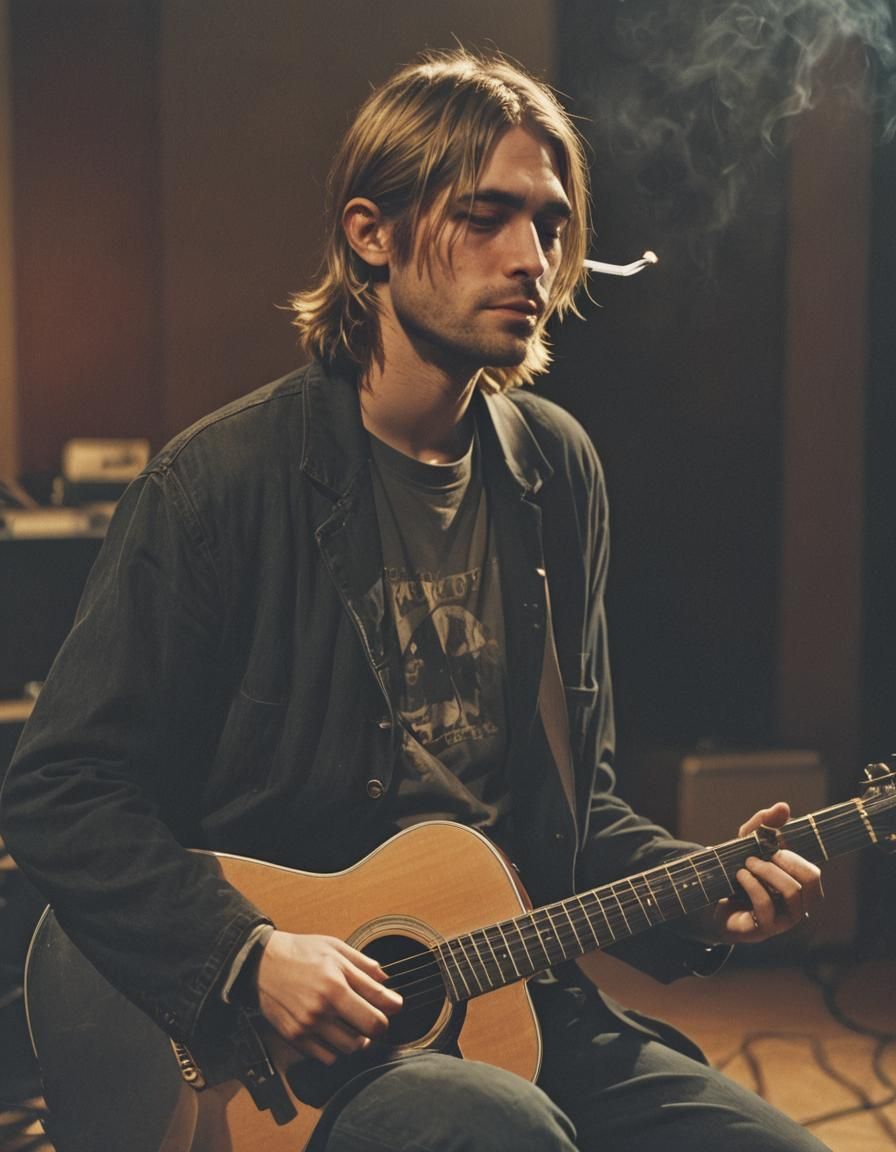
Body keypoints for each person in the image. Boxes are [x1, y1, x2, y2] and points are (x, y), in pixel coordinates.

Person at [0, 49, 828, 1152]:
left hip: (510, 1003)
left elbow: (570, 819)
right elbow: (60, 789)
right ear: (369, 234)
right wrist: (245, 956)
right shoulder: (217, 487)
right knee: (502, 1133)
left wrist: (700, 890)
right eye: (485, 216)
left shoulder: (555, 472)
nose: (531, 257)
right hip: (282, 1051)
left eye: (547, 223)